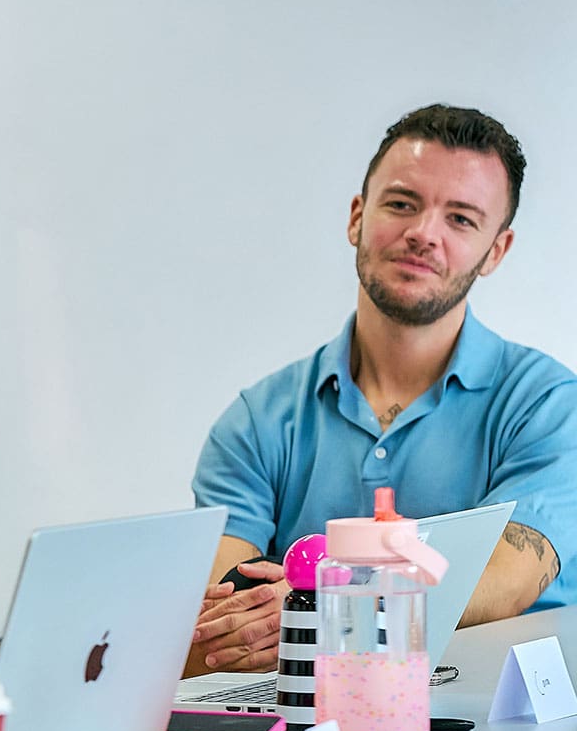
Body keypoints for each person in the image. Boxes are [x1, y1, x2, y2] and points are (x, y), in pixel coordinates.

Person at [188, 104, 577, 676]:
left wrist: (326, 611)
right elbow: (218, 618)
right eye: (401, 204)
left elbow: (506, 578)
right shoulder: (258, 421)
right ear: (356, 218)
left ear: (495, 251)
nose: (423, 233)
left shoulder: (549, 406)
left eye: (462, 219)